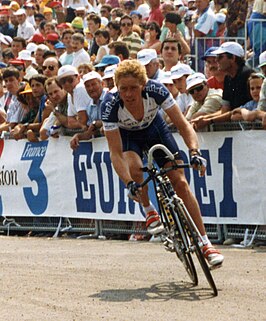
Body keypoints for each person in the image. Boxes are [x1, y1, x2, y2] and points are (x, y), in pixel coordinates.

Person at [101, 59, 224, 267]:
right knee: (135, 170)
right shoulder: (109, 104)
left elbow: (183, 125)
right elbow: (115, 152)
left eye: (133, 88)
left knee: (181, 183)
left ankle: (205, 243)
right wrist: (129, 183)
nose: (129, 94)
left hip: (154, 129)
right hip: (128, 136)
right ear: (116, 88)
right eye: (123, 89)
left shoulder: (156, 90)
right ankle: (149, 209)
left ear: (144, 84)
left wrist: (194, 151)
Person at [191, 42, 254, 129]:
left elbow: (236, 112)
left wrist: (209, 120)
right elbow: (225, 110)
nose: (216, 60)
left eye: (220, 57)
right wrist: (205, 118)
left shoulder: (246, 75)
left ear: (233, 58)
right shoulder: (228, 78)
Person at [70, 71, 107, 149]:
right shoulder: (89, 106)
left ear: (102, 84)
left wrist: (96, 124)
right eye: (87, 86)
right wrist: (78, 136)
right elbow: (90, 133)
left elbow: (116, 122)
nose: (91, 88)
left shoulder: (109, 98)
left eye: (94, 84)